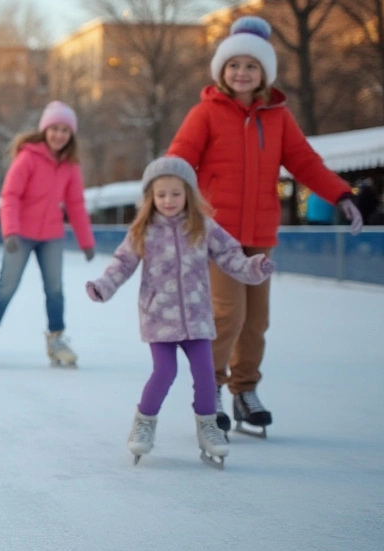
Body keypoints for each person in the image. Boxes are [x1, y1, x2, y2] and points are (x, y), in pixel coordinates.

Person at [167, 16, 362, 436]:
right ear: (222, 70)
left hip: (260, 236)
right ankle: (211, 390)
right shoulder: (205, 113)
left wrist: (342, 195)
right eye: (234, 65)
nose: (241, 73)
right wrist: (170, 206)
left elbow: (305, 162)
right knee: (228, 315)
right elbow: (179, 159)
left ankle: (245, 391)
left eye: (251, 66)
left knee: (257, 321)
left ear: (264, 74)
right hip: (218, 236)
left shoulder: (277, 117)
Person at [85, 157, 274, 467]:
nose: (168, 200)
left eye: (175, 193)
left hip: (198, 317)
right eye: (161, 195)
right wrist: (103, 287)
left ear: (188, 193)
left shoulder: (203, 227)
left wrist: (254, 267)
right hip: (159, 317)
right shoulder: (143, 230)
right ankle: (144, 423)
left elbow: (230, 256)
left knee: (205, 373)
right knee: (165, 371)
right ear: (150, 198)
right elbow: (122, 264)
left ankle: (208, 428)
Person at [0, 101, 96, 368]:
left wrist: (86, 241)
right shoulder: (28, 157)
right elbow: (10, 196)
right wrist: (11, 231)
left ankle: (56, 340)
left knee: (55, 289)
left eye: (65, 130)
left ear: (71, 134)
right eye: (55, 129)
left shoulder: (70, 166)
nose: (59, 135)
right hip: (21, 235)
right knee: (7, 286)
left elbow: (75, 204)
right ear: (45, 130)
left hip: (51, 234)